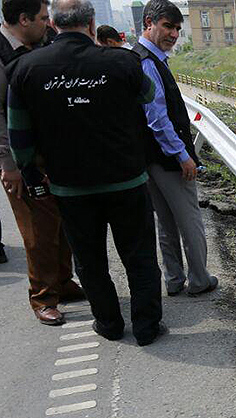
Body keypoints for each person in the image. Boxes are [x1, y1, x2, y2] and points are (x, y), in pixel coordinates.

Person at [8, 0, 166, 344]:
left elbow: (19, 134)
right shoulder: (122, 61)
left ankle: (108, 324)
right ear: (92, 24)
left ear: (52, 22)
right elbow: (149, 94)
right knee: (139, 256)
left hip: (70, 187)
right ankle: (146, 327)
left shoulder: (26, 69)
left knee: (90, 261)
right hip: (126, 180)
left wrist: (31, 174)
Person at [1, 0, 86, 324]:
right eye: (41, 18)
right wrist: (10, 166)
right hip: (20, 161)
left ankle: (63, 282)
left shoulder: (36, 45)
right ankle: (42, 297)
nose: (47, 24)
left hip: (50, 155)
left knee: (60, 223)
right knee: (37, 233)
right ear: (23, 20)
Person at [134, 0, 217, 297]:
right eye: (168, 26)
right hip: (167, 159)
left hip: (150, 159)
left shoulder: (144, 58)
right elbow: (157, 119)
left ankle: (173, 279)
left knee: (166, 222)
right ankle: (199, 279)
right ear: (149, 23)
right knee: (190, 221)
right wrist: (183, 156)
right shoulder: (147, 62)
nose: (173, 34)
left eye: (178, 29)